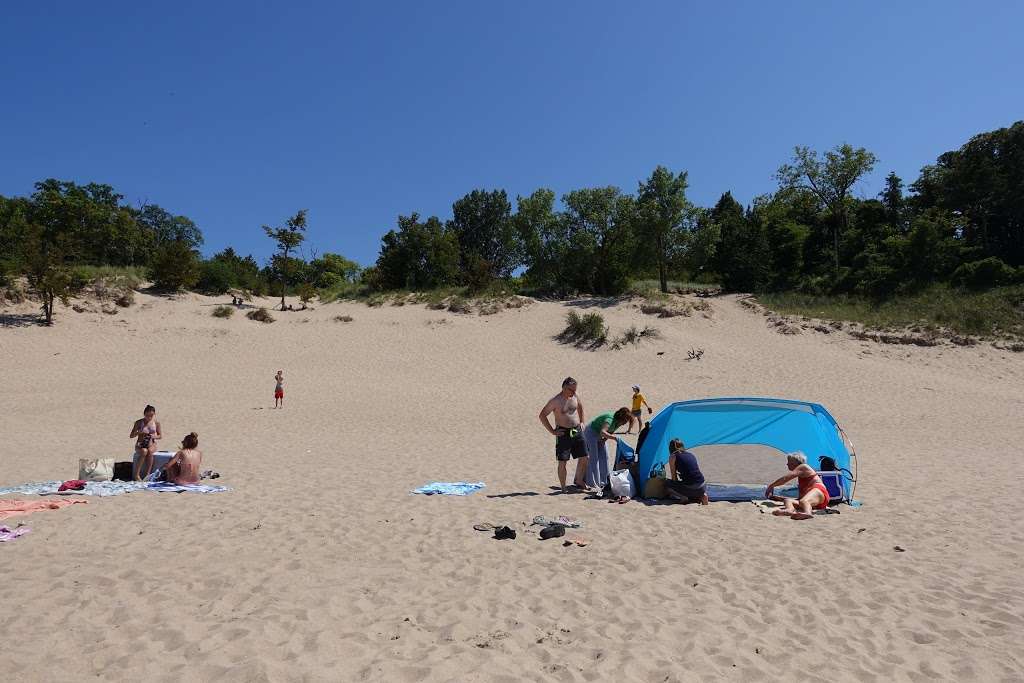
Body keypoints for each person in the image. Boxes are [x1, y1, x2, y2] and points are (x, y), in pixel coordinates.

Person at [539, 377, 590, 493]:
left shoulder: (575, 396)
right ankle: (563, 487)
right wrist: (552, 431)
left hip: (577, 430)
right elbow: (542, 415)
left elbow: (580, 407)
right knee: (563, 461)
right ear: (564, 388)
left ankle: (579, 480)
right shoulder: (555, 400)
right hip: (563, 433)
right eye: (571, 390)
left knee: (585, 457)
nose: (573, 392)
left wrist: (582, 421)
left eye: (575, 390)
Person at [765, 451, 830, 519]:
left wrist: (771, 486)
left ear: (795, 462)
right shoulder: (801, 476)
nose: (787, 464)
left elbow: (785, 478)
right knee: (788, 500)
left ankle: (808, 513)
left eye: (789, 462)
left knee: (803, 501)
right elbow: (800, 498)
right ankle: (789, 510)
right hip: (814, 503)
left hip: (820, 492)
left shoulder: (803, 467)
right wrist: (778, 498)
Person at [583, 407, 631, 491]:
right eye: (625, 421)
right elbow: (603, 431)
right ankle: (591, 482)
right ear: (621, 417)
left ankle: (604, 481)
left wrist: (604, 440)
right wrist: (615, 438)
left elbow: (610, 431)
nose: (625, 423)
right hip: (591, 432)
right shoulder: (610, 419)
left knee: (605, 457)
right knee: (594, 458)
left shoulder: (618, 422)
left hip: (599, 435)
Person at [665, 438, 708, 505]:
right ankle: (702, 495)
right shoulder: (691, 454)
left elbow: (674, 478)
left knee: (667, 485)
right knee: (690, 484)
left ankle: (683, 497)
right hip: (703, 485)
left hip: (691, 487)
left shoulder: (673, 456)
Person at [130, 404, 162, 481]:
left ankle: (148, 474)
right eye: (148, 415)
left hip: (152, 443)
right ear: (144, 414)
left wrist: (153, 436)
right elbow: (131, 435)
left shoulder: (156, 423)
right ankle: (137, 475)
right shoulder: (138, 422)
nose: (149, 417)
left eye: (151, 415)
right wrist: (138, 432)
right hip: (140, 444)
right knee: (144, 451)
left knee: (150, 451)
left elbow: (160, 436)